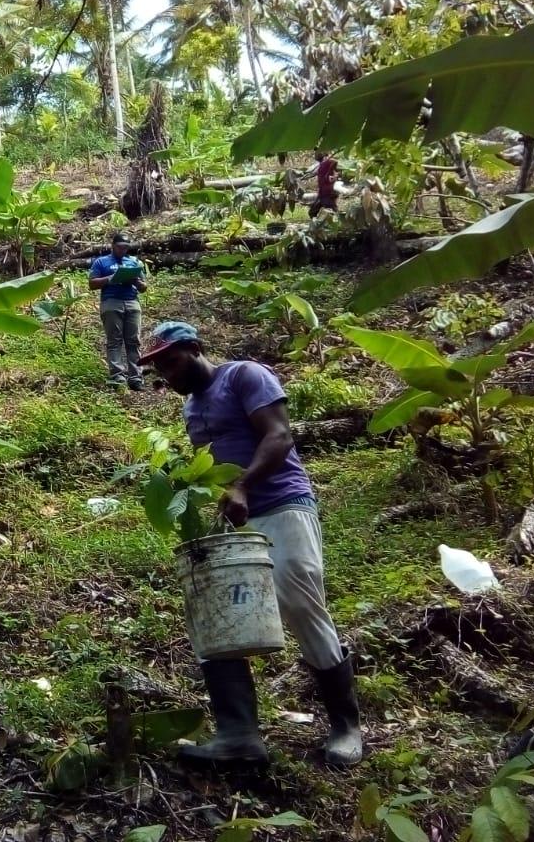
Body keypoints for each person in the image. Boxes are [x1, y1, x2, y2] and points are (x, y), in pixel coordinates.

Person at [136, 321, 362, 768]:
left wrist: (242, 485)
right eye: (158, 366)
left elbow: (278, 435)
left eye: (171, 360)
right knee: (213, 612)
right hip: (235, 517)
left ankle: (346, 725)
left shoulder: (244, 375)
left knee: (299, 602)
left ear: (195, 349)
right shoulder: (191, 408)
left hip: (281, 503)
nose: (166, 373)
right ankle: (239, 735)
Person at [89, 234, 147, 390]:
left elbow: (144, 287)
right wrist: (111, 278)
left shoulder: (134, 262)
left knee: (134, 340)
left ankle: (135, 377)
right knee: (114, 340)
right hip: (111, 302)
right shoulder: (102, 262)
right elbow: (92, 283)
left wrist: (135, 280)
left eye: (126, 247)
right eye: (120, 246)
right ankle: (117, 377)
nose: (123, 249)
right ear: (113, 245)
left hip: (132, 302)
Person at [310, 151, 339, 217]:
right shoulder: (321, 165)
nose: (315, 155)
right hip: (322, 193)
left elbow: (334, 161)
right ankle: (318, 224)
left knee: (332, 211)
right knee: (312, 212)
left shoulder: (326, 163)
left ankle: (337, 222)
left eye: (316, 154)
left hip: (327, 193)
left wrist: (329, 174)